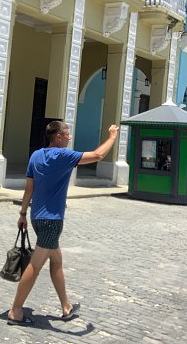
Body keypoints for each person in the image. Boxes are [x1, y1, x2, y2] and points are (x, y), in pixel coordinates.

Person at [7, 120, 119, 326]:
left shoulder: (36, 155)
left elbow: (29, 189)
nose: (70, 137)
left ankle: (66, 306)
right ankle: (16, 311)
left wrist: (22, 214)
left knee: (56, 261)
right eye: (67, 134)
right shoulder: (62, 156)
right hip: (52, 221)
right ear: (58, 137)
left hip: (37, 217)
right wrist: (112, 137)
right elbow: (97, 155)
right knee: (35, 265)